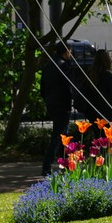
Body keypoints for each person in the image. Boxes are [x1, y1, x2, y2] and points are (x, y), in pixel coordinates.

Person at [39, 41, 83, 174]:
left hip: (51, 103)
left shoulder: (48, 65)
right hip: (62, 104)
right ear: (66, 51)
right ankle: (47, 166)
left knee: (63, 134)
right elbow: (67, 87)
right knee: (59, 136)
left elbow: (42, 88)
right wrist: (72, 100)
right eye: (69, 51)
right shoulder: (63, 65)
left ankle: (67, 164)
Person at [83, 48, 112, 125]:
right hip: (106, 110)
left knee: (97, 133)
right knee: (108, 134)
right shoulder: (108, 74)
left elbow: (86, 90)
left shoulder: (90, 73)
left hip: (93, 110)